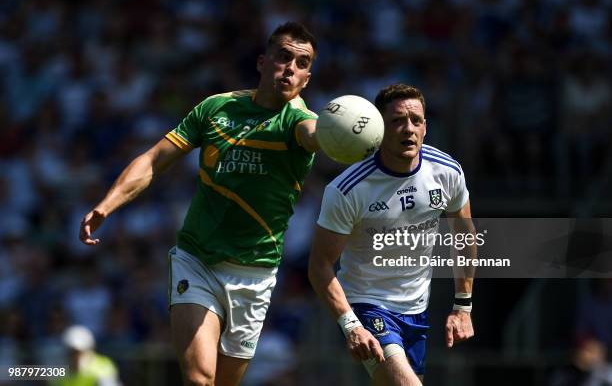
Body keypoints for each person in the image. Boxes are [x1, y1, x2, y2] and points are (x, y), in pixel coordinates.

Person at [79, 22, 319, 386]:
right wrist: (107, 205)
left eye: (302, 63)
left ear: (307, 78)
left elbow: (316, 137)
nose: (291, 68)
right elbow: (154, 160)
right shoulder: (215, 108)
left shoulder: (300, 124)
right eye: (284, 57)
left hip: (254, 274)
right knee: (199, 380)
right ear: (262, 62)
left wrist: (343, 132)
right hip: (197, 259)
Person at [308, 84, 476, 385]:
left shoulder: (447, 172)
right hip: (367, 304)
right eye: (397, 120)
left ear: (425, 127)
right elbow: (320, 266)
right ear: (378, 128)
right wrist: (350, 324)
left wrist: (463, 306)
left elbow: (464, 237)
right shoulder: (348, 190)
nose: (408, 128)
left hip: (416, 309)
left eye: (416, 120)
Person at [51, 325, 121, 386]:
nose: (76, 357)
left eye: (80, 353)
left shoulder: (103, 366)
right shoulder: (57, 369)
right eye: (72, 353)